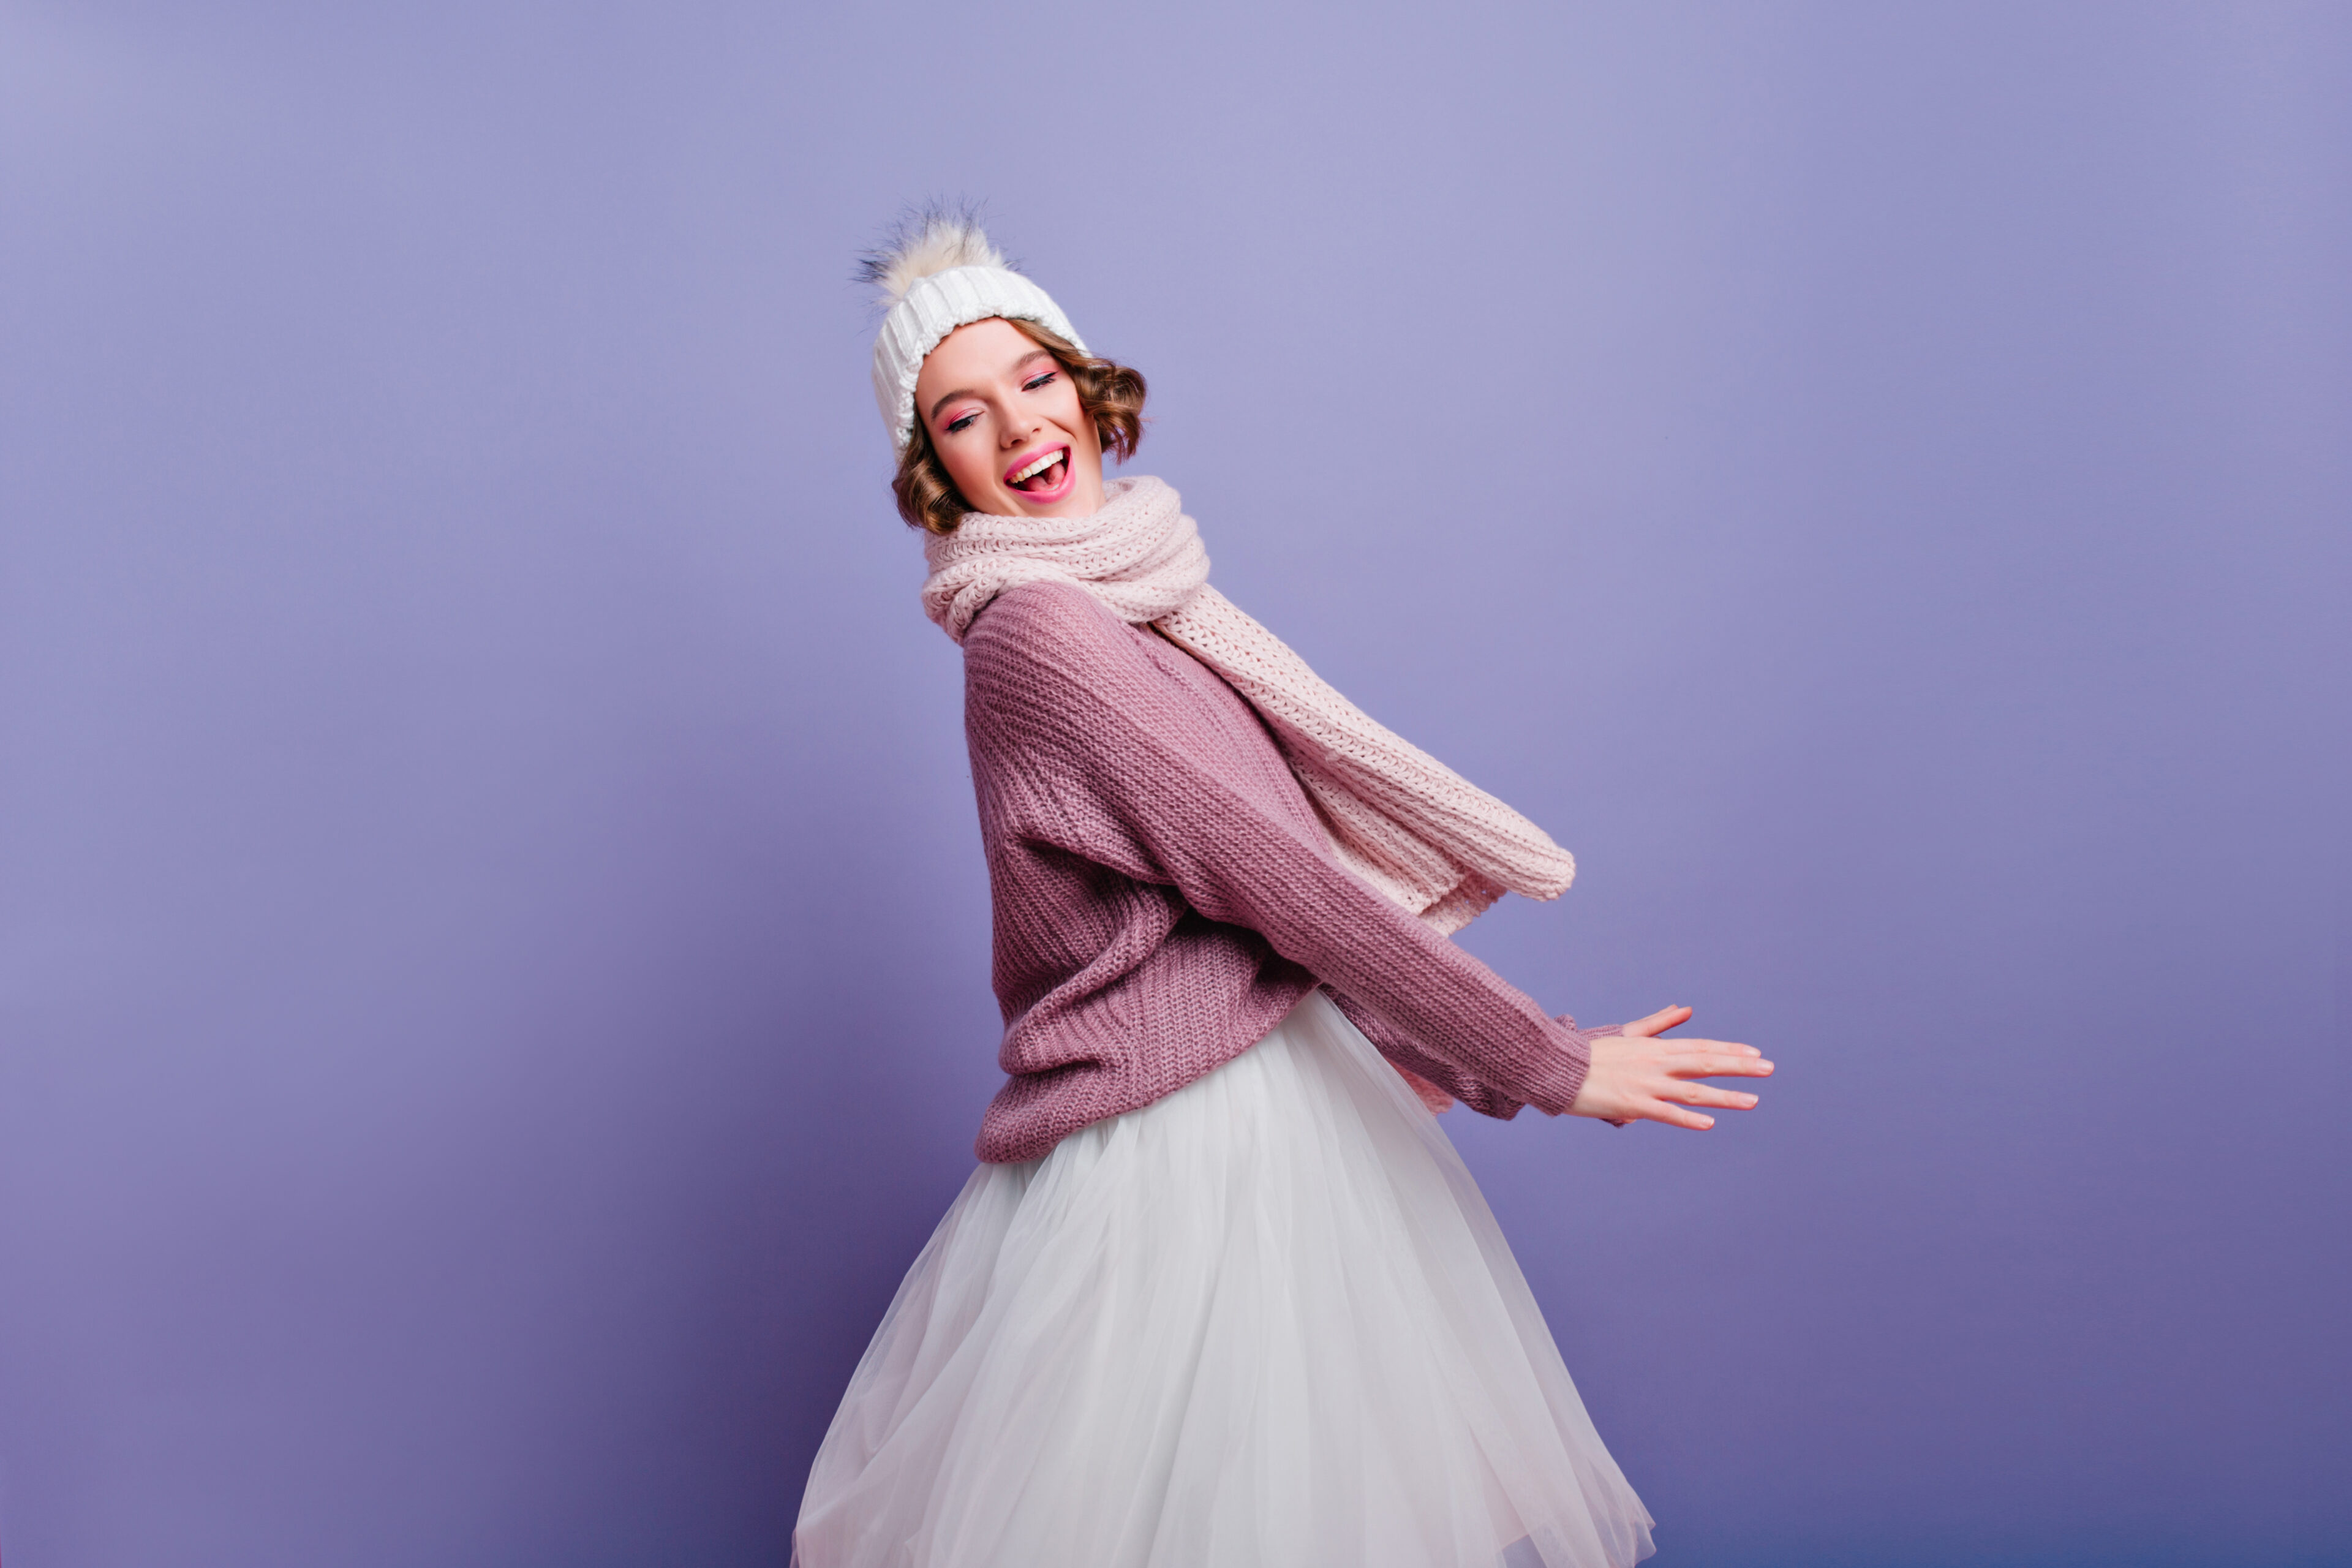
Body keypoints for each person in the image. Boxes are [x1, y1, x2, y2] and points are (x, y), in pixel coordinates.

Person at [791, 208, 1772, 1568]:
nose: (1016, 423)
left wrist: (1392, 1056)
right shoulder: (1043, 636)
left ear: (1084, 383)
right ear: (934, 469)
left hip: (1256, 1095)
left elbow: (1240, 884)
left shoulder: (1137, 601)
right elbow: (1282, 884)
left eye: (1031, 375)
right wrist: (1539, 1061)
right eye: (961, 414)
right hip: (1185, 1144)